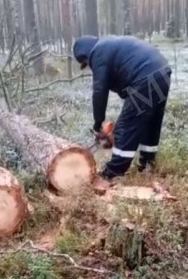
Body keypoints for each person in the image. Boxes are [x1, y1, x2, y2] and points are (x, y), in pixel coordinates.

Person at [72, 35, 172, 187]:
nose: (89, 66)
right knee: (151, 121)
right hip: (162, 72)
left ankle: (112, 173)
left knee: (127, 126)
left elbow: (100, 90)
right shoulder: (110, 45)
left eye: (86, 63)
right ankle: (147, 163)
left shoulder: (98, 53)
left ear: (85, 55)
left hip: (145, 78)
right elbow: (123, 83)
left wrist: (98, 123)